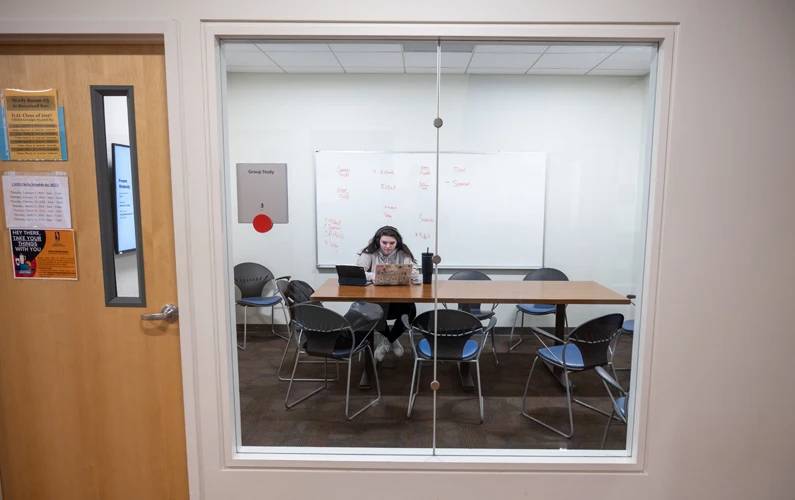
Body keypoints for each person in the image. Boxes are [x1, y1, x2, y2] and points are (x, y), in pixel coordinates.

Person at [356, 226, 419, 361]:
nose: (388, 246)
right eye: (384, 243)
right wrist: (377, 275)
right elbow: (359, 272)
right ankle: (392, 338)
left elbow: (414, 273)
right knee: (370, 312)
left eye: (392, 243)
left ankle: (388, 339)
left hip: (399, 297)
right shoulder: (369, 252)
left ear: (397, 243)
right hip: (375, 297)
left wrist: (391, 272)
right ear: (378, 241)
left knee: (411, 311)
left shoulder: (403, 253)